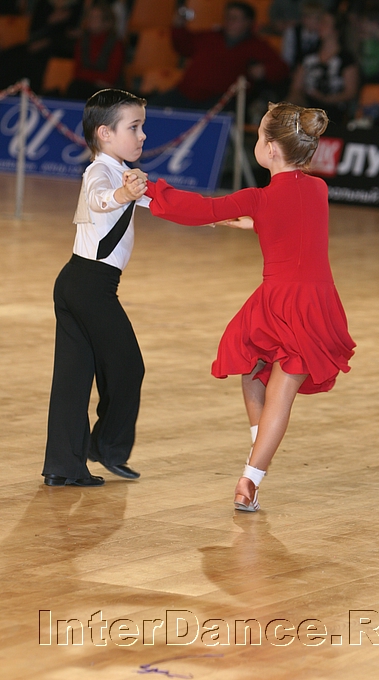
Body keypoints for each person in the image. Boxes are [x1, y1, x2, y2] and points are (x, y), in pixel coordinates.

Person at [130, 101, 356, 511]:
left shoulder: (257, 197)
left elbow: (202, 210)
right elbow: (298, 222)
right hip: (315, 301)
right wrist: (255, 223)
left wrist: (150, 192)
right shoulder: (319, 190)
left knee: (264, 378)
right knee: (255, 368)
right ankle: (257, 456)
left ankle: (250, 478)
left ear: (270, 149)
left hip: (279, 300)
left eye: (259, 134)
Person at [42, 87, 249, 488]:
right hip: (90, 288)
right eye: (134, 127)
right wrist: (123, 193)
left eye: (142, 127)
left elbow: (169, 206)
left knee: (73, 377)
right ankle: (106, 447)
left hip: (76, 283)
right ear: (105, 133)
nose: (143, 135)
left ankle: (62, 466)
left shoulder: (124, 174)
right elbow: (99, 199)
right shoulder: (101, 173)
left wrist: (220, 219)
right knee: (128, 366)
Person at [148, 1, 289, 111]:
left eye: (235, 18)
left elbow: (281, 69)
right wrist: (178, 26)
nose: (229, 21)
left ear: (248, 22)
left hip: (220, 100)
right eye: (227, 17)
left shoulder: (257, 46)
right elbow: (183, 47)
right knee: (150, 110)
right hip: (185, 93)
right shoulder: (210, 37)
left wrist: (264, 70)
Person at [287, 11, 359, 125]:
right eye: (320, 22)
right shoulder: (308, 56)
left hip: (334, 109)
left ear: (336, 30)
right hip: (307, 106)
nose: (320, 26)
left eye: (325, 23)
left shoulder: (346, 59)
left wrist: (326, 99)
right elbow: (296, 87)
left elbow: (350, 92)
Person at [65, 1, 126, 100]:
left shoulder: (115, 44)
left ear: (107, 22)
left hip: (105, 89)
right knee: (75, 87)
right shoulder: (82, 41)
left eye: (96, 17)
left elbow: (112, 76)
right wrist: (95, 79)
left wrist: (88, 75)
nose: (91, 20)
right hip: (85, 85)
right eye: (90, 16)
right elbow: (77, 71)